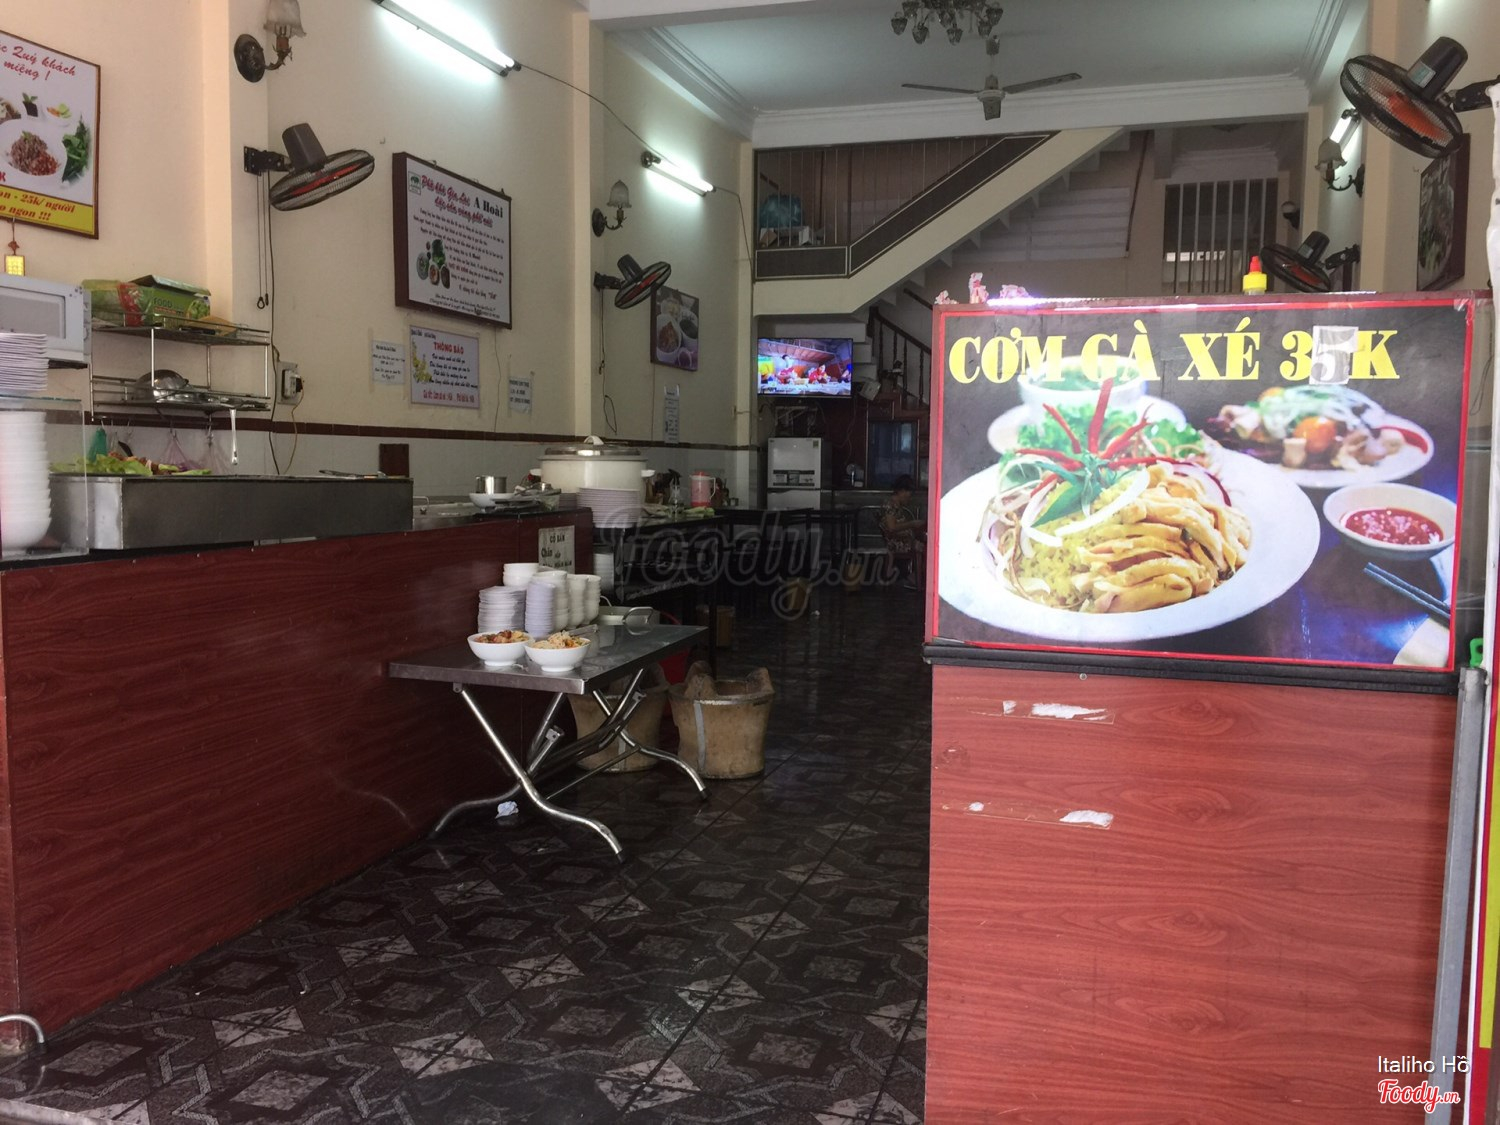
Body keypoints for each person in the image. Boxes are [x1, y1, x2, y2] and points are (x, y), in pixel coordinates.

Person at [879, 475, 927, 589]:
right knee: (925, 548)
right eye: (908, 493)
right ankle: (916, 578)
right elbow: (892, 527)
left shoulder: (896, 505)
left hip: (901, 539)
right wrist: (912, 524)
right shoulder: (890, 505)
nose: (909, 497)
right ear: (902, 491)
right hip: (896, 542)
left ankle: (915, 576)